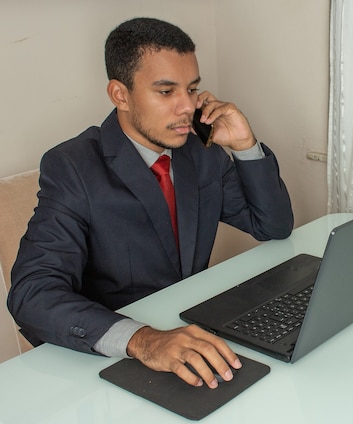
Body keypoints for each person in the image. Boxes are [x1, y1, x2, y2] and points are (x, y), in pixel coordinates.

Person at [7, 17, 293, 388]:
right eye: (165, 92)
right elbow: (32, 293)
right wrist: (144, 340)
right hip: (115, 360)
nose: (186, 108)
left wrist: (244, 146)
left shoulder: (202, 152)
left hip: (195, 335)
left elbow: (272, 226)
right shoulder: (72, 166)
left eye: (192, 90)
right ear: (120, 94)